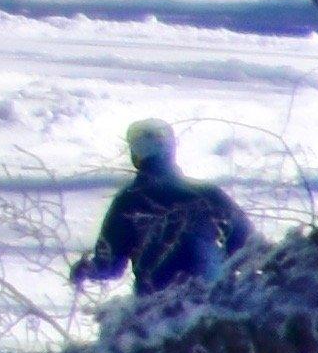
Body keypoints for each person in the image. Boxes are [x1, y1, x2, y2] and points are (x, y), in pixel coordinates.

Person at [74, 119, 252, 301]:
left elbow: (110, 265)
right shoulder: (209, 195)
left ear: (136, 156)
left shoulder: (128, 201)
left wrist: (86, 269)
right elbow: (247, 245)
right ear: (171, 150)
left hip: (155, 311)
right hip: (210, 308)